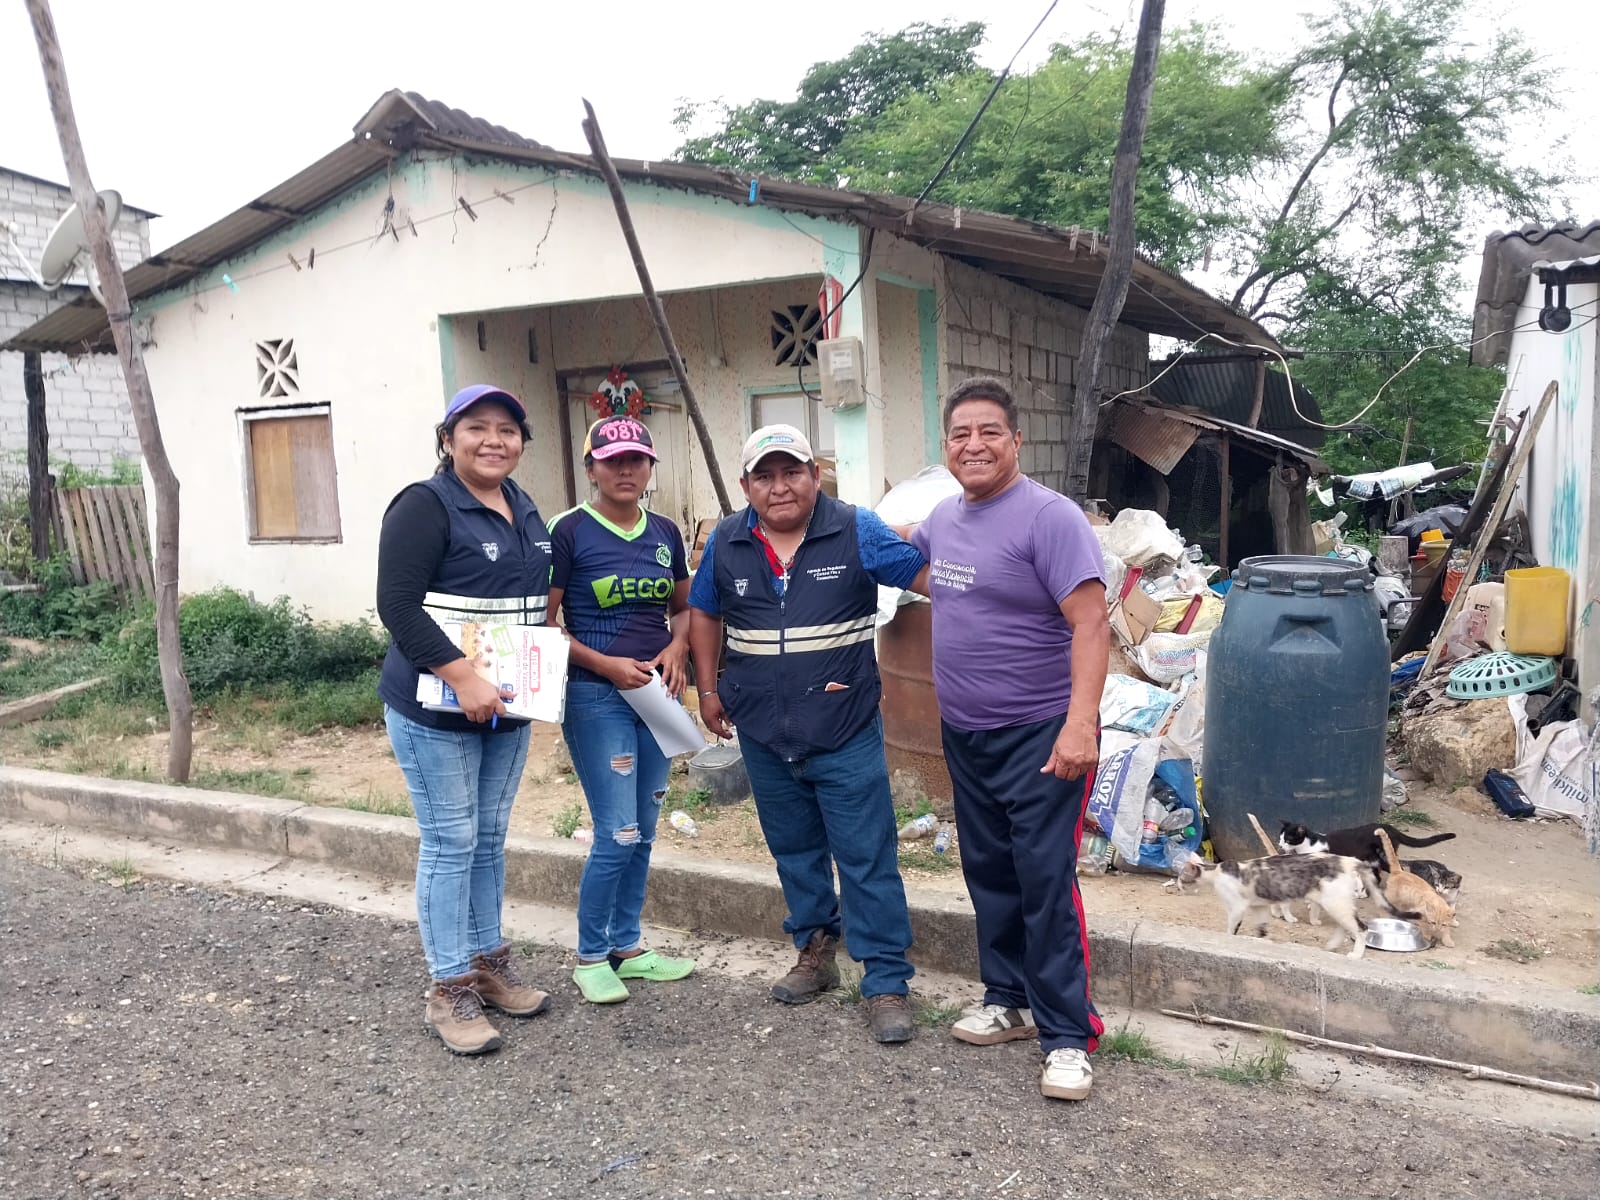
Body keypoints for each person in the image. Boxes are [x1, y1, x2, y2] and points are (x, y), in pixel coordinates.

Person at [688, 424, 928, 1045]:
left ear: (814, 476)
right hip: (763, 732)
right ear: (746, 485)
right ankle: (815, 951)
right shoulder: (727, 541)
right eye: (764, 476)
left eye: (791, 472)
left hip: (844, 727)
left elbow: (925, 577)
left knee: (866, 857)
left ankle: (885, 981)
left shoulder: (856, 529)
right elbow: (704, 611)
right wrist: (708, 690)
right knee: (793, 850)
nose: (780, 487)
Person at [908, 376, 1110, 1101]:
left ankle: (1068, 1036)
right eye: (961, 434)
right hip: (966, 731)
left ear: (1016, 440)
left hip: (1042, 734)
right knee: (989, 870)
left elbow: (1092, 622)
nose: (975, 445)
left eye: (990, 431)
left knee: (1044, 880)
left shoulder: (1050, 518)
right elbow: (924, 570)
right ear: (946, 447)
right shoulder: (943, 517)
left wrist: (1080, 723)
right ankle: (1008, 999)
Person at [376, 384, 554, 1056]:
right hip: (436, 708)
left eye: (507, 430)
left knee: (487, 839)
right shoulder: (425, 505)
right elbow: (397, 605)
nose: (493, 441)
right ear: (449, 438)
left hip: (504, 709)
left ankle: (487, 964)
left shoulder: (524, 507)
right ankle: (448, 989)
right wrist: (461, 675)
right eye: (477, 427)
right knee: (451, 841)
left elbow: (526, 603)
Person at [546, 416, 697, 1004]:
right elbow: (545, 624)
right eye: (613, 461)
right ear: (592, 469)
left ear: (650, 468)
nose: (626, 469)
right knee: (618, 831)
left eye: (637, 460)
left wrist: (678, 647)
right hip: (595, 695)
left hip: (655, 696)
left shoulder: (665, 532)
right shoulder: (568, 531)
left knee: (646, 830)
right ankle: (590, 956)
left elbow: (682, 608)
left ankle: (627, 948)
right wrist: (605, 665)